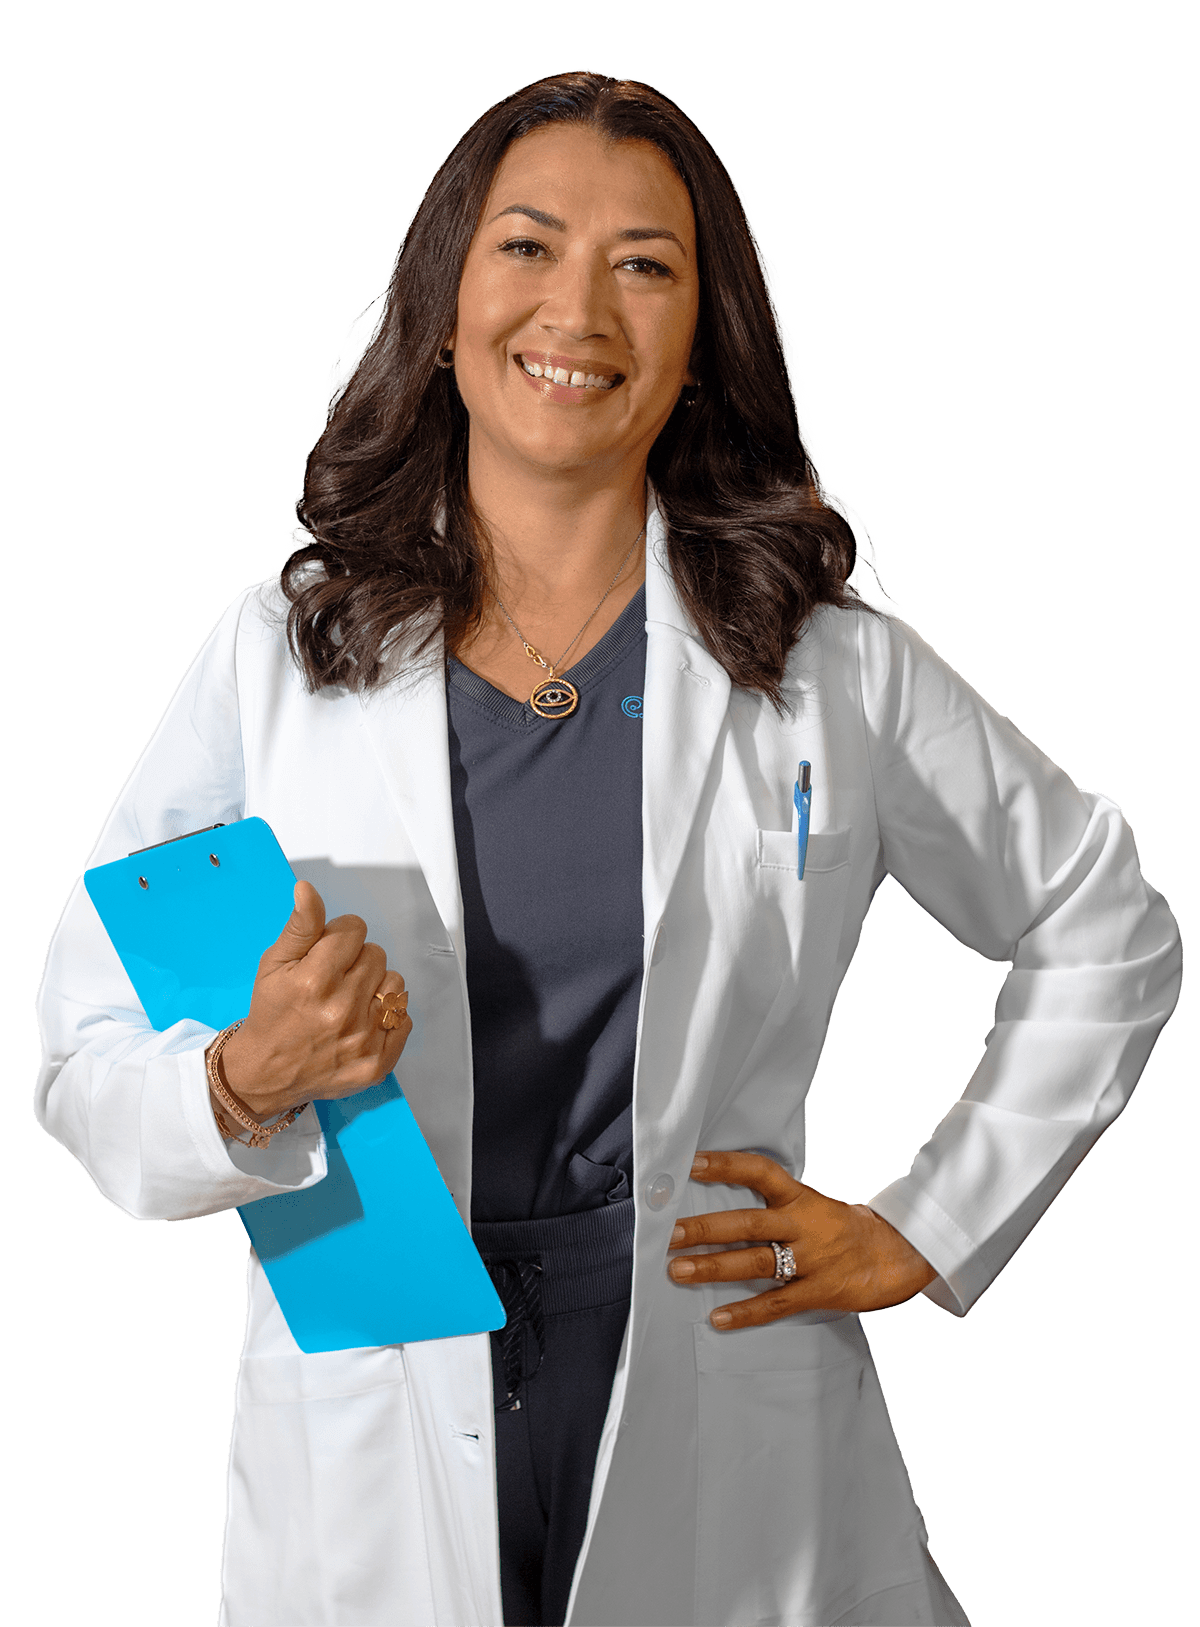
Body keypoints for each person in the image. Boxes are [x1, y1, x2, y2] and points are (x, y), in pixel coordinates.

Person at [34, 70, 1181, 1627]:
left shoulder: (827, 667)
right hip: (370, 1395)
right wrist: (241, 1077)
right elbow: (81, 1042)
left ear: (702, 348)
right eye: (526, 246)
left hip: (718, 1369)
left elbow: (1100, 921)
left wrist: (929, 1221)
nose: (578, 307)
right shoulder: (279, 658)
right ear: (440, 310)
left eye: (645, 264)